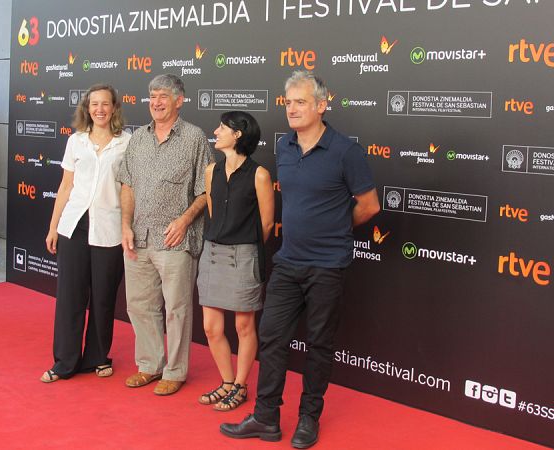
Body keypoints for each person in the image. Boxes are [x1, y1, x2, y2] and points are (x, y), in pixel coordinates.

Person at [220, 71, 380, 448]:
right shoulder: (285, 148)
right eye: (287, 102)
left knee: (319, 344)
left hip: (328, 265)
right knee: (272, 338)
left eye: (300, 102)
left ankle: (309, 419)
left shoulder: (345, 151)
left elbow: (369, 206)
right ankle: (266, 417)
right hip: (288, 262)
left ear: (321, 106)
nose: (291, 108)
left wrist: (337, 227)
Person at [117, 73, 210, 396]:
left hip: (176, 240)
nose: (156, 103)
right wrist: (125, 224)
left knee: (177, 309)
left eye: (163, 96)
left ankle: (175, 371)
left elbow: (205, 191)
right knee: (140, 306)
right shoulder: (137, 138)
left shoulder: (194, 138)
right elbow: (126, 184)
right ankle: (149, 365)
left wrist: (184, 221)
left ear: (179, 100)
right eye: (152, 96)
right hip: (138, 237)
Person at [40, 84, 130, 383]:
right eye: (94, 104)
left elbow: (130, 189)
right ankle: (65, 361)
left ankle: (97, 357)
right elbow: (66, 186)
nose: (100, 109)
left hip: (109, 229)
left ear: (114, 108)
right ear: (86, 108)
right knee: (70, 297)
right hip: (73, 226)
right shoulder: (76, 141)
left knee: (103, 298)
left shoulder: (127, 142)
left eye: (106, 104)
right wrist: (53, 227)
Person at [197, 111, 274, 411]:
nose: (216, 131)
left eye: (222, 128)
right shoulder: (210, 171)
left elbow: (267, 225)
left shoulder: (260, 175)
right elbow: (214, 214)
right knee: (211, 328)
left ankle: (240, 385)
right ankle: (227, 382)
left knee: (244, 327)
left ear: (238, 134)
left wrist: (243, 247)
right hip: (212, 254)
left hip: (244, 257)